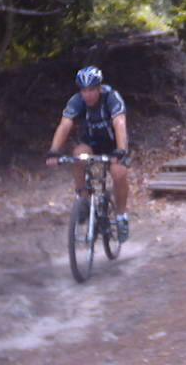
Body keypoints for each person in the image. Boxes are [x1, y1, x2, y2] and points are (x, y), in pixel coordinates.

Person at [45, 65, 130, 243]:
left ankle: (121, 217)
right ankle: (83, 199)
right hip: (90, 145)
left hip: (114, 146)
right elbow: (65, 124)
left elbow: (120, 123)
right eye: (84, 90)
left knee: (118, 173)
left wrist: (121, 151)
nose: (88, 95)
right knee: (78, 155)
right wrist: (53, 151)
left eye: (92, 90)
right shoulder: (77, 101)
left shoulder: (111, 98)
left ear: (99, 88)